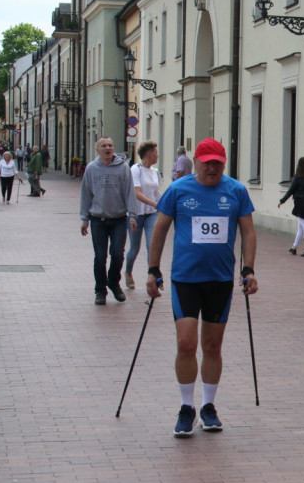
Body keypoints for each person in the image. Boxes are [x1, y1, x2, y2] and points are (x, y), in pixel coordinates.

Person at [146, 138, 258, 437]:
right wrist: (152, 269)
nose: (212, 167)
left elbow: (247, 232)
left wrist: (248, 269)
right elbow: (160, 228)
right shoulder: (179, 189)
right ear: (196, 162)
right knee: (186, 343)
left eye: (217, 163)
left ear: (224, 164)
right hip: (185, 279)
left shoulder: (236, 190)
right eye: (207, 162)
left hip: (220, 280)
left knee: (212, 346)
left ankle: (208, 406)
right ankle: (186, 407)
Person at [79, 138, 136, 305]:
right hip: (98, 219)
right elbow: (86, 194)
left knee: (118, 254)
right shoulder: (91, 168)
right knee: (100, 256)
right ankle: (100, 290)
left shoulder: (123, 168)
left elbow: (129, 193)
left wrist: (132, 216)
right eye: (104, 146)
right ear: (97, 149)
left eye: (110, 145)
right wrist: (84, 219)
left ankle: (113, 281)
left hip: (118, 219)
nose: (108, 148)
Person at [124, 140, 162, 290]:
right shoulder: (135, 169)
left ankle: (151, 276)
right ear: (149, 154)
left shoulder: (155, 172)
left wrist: (161, 205)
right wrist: (153, 203)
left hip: (152, 214)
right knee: (134, 247)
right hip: (136, 213)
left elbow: (157, 193)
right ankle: (128, 271)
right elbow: (136, 192)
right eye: (156, 153)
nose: (157, 156)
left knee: (151, 245)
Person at [277, 156, 304, 257]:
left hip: (300, 203)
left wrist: (282, 201)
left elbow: (290, 191)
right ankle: (294, 247)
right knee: (301, 226)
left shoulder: (298, 178)